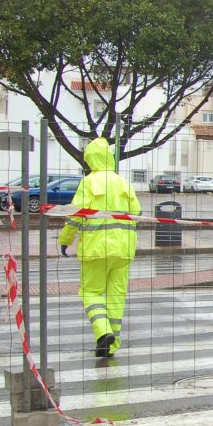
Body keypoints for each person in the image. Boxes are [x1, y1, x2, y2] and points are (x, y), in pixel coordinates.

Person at [58, 137, 141, 358]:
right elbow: (137, 213)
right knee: (116, 296)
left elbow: (76, 215)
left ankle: (103, 332)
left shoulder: (89, 182)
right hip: (123, 249)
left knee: (90, 292)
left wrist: (66, 239)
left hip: (95, 248)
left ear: (90, 160)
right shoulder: (123, 182)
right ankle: (111, 345)